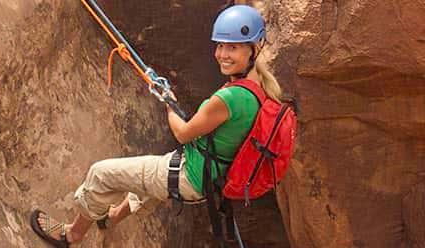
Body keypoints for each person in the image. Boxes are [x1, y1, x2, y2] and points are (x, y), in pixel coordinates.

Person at [30, 5, 282, 247]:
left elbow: (183, 133)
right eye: (220, 45)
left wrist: (169, 105)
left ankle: (71, 236)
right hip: (211, 176)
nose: (222, 54)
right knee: (150, 178)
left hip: (191, 176)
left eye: (233, 47)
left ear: (254, 48)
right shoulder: (263, 88)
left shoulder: (230, 98)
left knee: (101, 174)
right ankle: (111, 218)